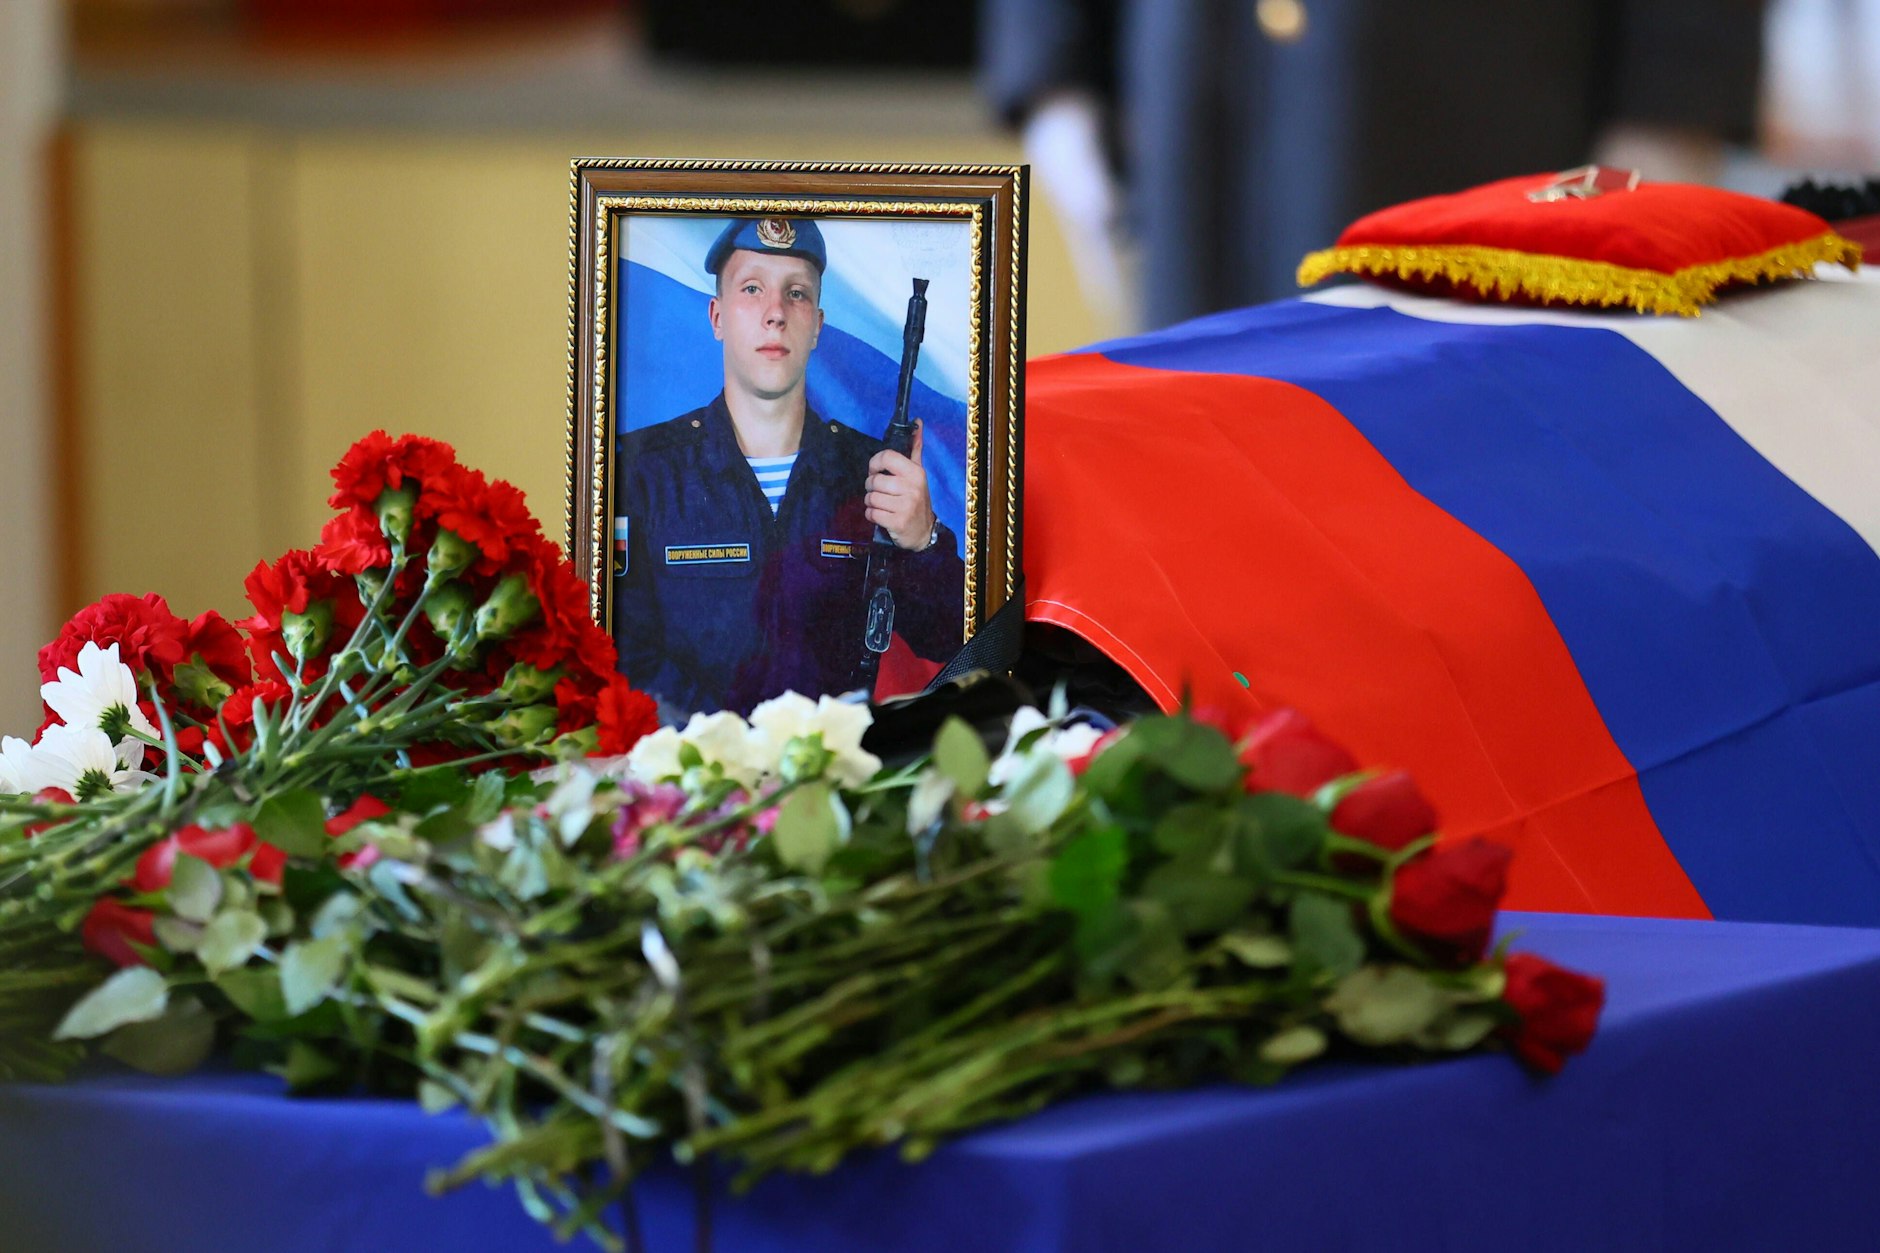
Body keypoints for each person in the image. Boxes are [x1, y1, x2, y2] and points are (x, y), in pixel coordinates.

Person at [612, 217, 966, 714]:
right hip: (697, 760)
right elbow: (624, 655)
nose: (775, 313)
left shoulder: (871, 474)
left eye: (796, 293)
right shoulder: (642, 471)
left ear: (817, 326)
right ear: (717, 317)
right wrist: (737, 747)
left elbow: (952, 639)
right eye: (752, 289)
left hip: (839, 759)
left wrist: (924, 539)